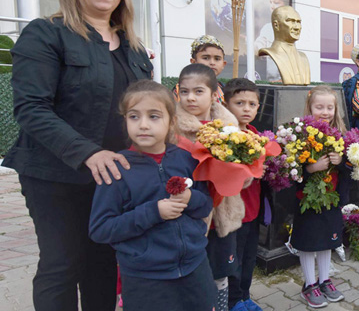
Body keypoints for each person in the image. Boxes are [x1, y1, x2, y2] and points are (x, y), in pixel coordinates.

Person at [2, 0, 152, 311]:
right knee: (63, 264)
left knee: (102, 263)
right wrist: (87, 152)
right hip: (55, 175)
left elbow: (147, 112)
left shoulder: (134, 48)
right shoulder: (46, 35)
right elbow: (31, 108)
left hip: (116, 177)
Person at [89, 80, 216, 311]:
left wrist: (190, 200)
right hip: (146, 278)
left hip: (195, 268)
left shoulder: (187, 159)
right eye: (134, 117)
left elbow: (205, 206)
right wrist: (153, 212)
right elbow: (100, 229)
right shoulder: (118, 169)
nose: (143, 125)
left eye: (154, 116)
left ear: (172, 122)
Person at [174, 64, 241, 311]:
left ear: (214, 94)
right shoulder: (172, 127)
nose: (190, 97)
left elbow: (243, 173)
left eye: (198, 91)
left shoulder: (229, 126)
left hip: (222, 215)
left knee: (220, 273)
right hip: (186, 215)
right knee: (189, 275)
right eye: (185, 91)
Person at [292, 86, 348, 308]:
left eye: (330, 107)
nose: (325, 112)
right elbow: (290, 170)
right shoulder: (300, 134)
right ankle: (309, 284)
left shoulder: (340, 133)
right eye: (319, 107)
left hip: (330, 198)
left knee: (327, 240)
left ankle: (324, 280)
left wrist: (340, 161)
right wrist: (311, 169)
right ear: (309, 107)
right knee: (308, 242)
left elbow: (350, 168)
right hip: (306, 199)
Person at [223, 78, 264, 311]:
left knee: (249, 256)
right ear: (227, 105)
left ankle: (245, 295)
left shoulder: (256, 134)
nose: (246, 108)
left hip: (253, 207)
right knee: (233, 258)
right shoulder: (223, 136)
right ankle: (232, 301)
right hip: (232, 211)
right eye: (240, 103)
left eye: (252, 104)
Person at [257, 6, 310, 85]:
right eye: (290, 21)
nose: (297, 27)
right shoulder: (271, 53)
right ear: (276, 25)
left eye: (298, 22)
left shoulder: (303, 57)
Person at [190, 35, 227, 103]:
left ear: (223, 64)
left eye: (217, 59)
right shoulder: (181, 90)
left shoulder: (227, 91)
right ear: (194, 62)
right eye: (206, 58)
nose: (212, 63)